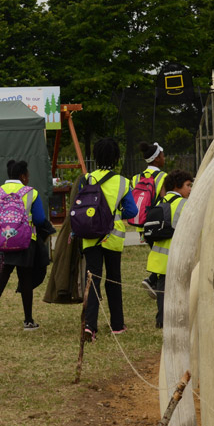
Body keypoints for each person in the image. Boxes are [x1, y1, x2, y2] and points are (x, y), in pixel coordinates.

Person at [0, 159, 53, 334]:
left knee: (1, 278)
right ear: (22, 176)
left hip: (1, 242)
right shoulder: (31, 193)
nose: (28, 178)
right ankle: (28, 321)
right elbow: (38, 219)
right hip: (25, 243)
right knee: (26, 279)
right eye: (27, 175)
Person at [78, 138, 138, 341]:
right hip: (113, 237)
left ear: (95, 156)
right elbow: (132, 211)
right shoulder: (122, 182)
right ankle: (117, 325)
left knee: (92, 279)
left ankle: (90, 326)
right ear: (116, 158)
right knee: (113, 279)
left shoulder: (86, 179)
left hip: (90, 237)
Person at [144, 170, 193, 329]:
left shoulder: (160, 203)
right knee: (181, 290)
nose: (190, 189)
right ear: (177, 186)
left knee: (162, 291)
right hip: (178, 255)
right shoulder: (184, 204)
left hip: (160, 258)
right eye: (188, 185)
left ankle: (161, 320)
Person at [134, 141, 168, 299]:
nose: (164, 158)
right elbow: (165, 201)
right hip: (157, 225)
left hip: (141, 226)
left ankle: (154, 280)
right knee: (164, 253)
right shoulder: (163, 177)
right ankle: (153, 280)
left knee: (157, 252)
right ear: (156, 159)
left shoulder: (136, 178)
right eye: (162, 155)